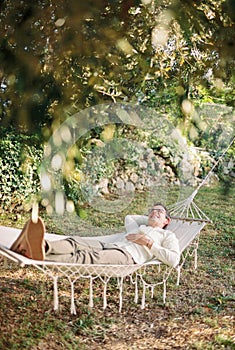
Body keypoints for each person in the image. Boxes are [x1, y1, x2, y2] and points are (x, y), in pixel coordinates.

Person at [10, 203, 180, 267]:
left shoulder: (167, 236)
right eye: (152, 210)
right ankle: (43, 246)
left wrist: (149, 243)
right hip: (113, 244)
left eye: (160, 212)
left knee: (89, 257)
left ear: (167, 220)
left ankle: (36, 255)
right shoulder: (137, 226)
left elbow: (174, 260)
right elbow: (129, 217)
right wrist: (150, 219)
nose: (154, 212)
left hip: (128, 255)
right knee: (75, 242)